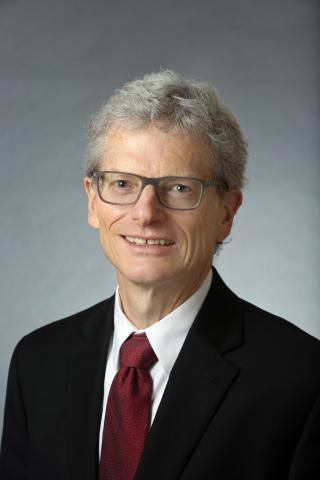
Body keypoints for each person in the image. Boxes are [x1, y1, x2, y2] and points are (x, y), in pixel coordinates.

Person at [1, 70, 319, 480]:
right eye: (121, 183)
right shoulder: (37, 362)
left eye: (180, 188)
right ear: (92, 202)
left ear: (227, 213)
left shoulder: (301, 379)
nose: (146, 213)